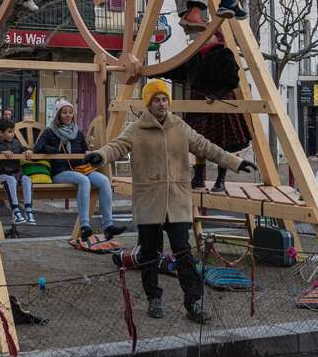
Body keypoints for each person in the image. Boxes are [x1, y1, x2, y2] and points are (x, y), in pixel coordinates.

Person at [85, 79, 256, 321]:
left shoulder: (181, 127)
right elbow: (116, 147)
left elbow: (207, 147)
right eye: (157, 99)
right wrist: (99, 156)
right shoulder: (135, 129)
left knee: (184, 253)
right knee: (149, 255)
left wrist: (236, 162)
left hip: (177, 203)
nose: (162, 103)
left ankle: (193, 303)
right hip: (149, 202)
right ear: (149, 103)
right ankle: (154, 298)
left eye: (165, 99)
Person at [34, 99, 126, 241]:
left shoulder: (77, 132)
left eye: (70, 112)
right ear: (58, 114)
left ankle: (108, 226)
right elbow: (37, 149)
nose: (68, 115)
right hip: (59, 172)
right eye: (64, 112)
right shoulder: (49, 131)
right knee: (83, 180)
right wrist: (54, 149)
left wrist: (89, 153)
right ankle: (85, 225)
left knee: (104, 180)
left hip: (79, 169)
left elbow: (84, 150)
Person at [171, 31, 251, 193]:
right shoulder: (196, 55)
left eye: (209, 35)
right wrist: (156, 72)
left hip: (219, 101)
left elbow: (232, 80)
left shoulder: (224, 54)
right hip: (199, 101)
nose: (204, 37)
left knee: (222, 142)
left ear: (218, 38)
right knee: (197, 140)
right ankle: (199, 177)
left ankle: (220, 180)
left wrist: (216, 95)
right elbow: (179, 71)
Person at [0, 118, 36, 224]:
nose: (12, 134)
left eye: (13, 131)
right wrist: (2, 152)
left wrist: (28, 151)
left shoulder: (16, 143)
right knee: (11, 180)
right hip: (1, 173)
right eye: (9, 132)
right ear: (0, 133)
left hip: (16, 172)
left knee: (26, 179)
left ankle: (29, 210)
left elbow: (23, 148)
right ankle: (16, 210)